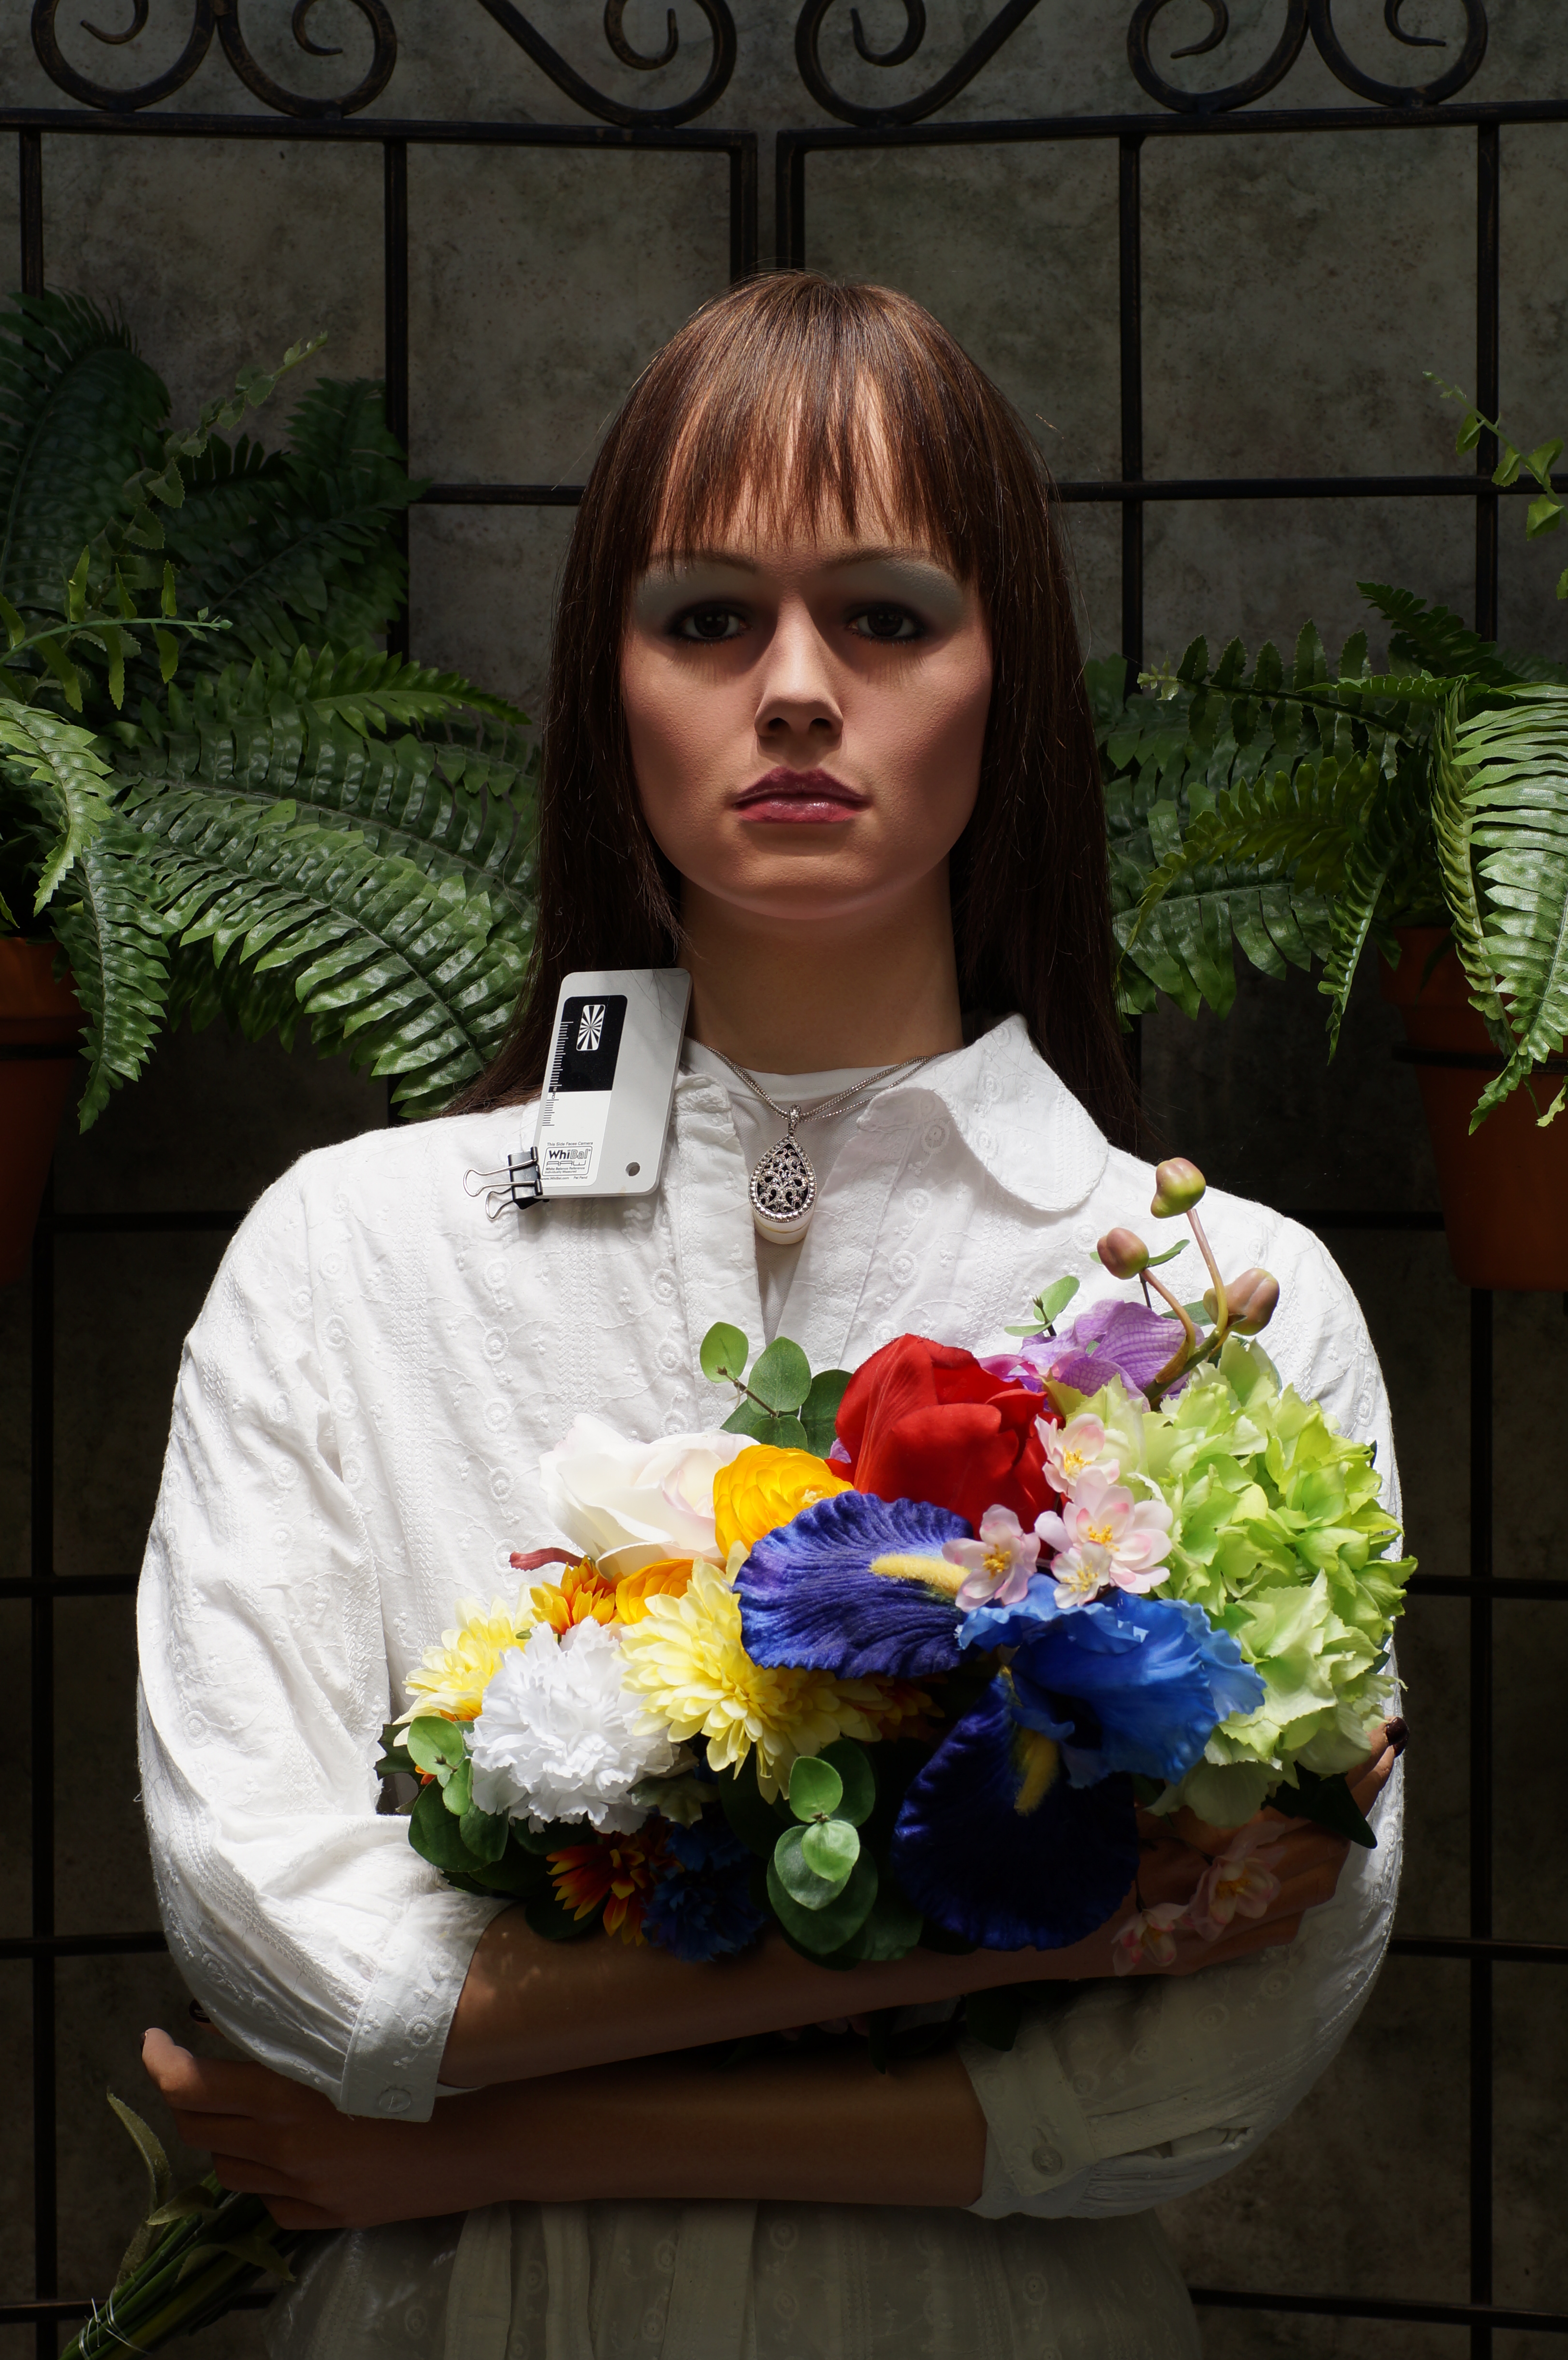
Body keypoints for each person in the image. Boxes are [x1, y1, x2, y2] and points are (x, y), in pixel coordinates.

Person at [137, 275, 1403, 2360]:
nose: (798, 690)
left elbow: (1202, 2078)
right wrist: (1033, 1939)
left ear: (1008, 677)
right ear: (608, 679)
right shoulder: (347, 1259)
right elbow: (284, 1942)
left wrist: (487, 2142)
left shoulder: (1219, 1307)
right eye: (711, 617)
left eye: (888, 616)